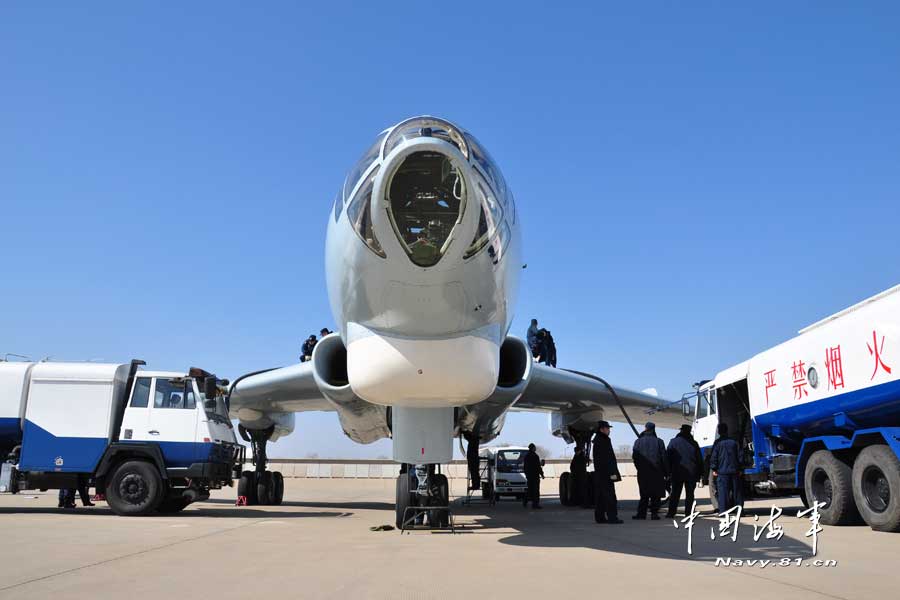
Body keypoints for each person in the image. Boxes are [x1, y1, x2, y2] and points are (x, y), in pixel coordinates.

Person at [632, 421, 670, 520]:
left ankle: (641, 514)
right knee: (656, 494)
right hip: (657, 472)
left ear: (645, 428)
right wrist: (667, 473)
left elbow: (635, 457)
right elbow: (664, 458)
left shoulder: (638, 441)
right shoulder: (659, 441)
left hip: (643, 472)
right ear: (654, 429)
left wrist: (639, 468)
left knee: (644, 494)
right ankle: (654, 514)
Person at [665, 424, 702, 518]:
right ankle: (688, 513)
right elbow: (699, 459)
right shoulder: (694, 443)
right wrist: (701, 473)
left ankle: (671, 513)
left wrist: (667, 471)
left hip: (677, 472)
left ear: (681, 431)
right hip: (691, 473)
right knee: (690, 495)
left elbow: (668, 458)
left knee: (675, 494)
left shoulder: (673, 442)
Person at [592, 421, 623, 523]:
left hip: (600, 474)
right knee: (610, 496)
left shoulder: (598, 440)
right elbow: (608, 459)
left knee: (600, 497)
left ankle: (600, 517)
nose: (609, 430)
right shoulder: (603, 440)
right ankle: (612, 517)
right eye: (607, 428)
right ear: (601, 429)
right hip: (607, 474)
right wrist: (613, 474)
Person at [709, 422, 742, 512]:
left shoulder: (717, 443)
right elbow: (740, 457)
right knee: (737, 492)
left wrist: (714, 468)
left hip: (722, 472)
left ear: (719, 432)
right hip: (734, 471)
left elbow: (714, 457)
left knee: (723, 493)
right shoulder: (734, 442)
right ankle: (739, 511)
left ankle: (723, 511)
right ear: (727, 431)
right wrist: (740, 468)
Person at [522, 443, 544, 509]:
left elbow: (525, 467)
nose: (535, 448)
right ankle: (535, 504)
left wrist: (527, 475)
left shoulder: (526, 456)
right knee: (536, 490)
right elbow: (538, 466)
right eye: (534, 447)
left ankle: (525, 501)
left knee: (530, 490)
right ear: (533, 448)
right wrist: (542, 474)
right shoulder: (535, 456)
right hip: (535, 476)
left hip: (529, 476)